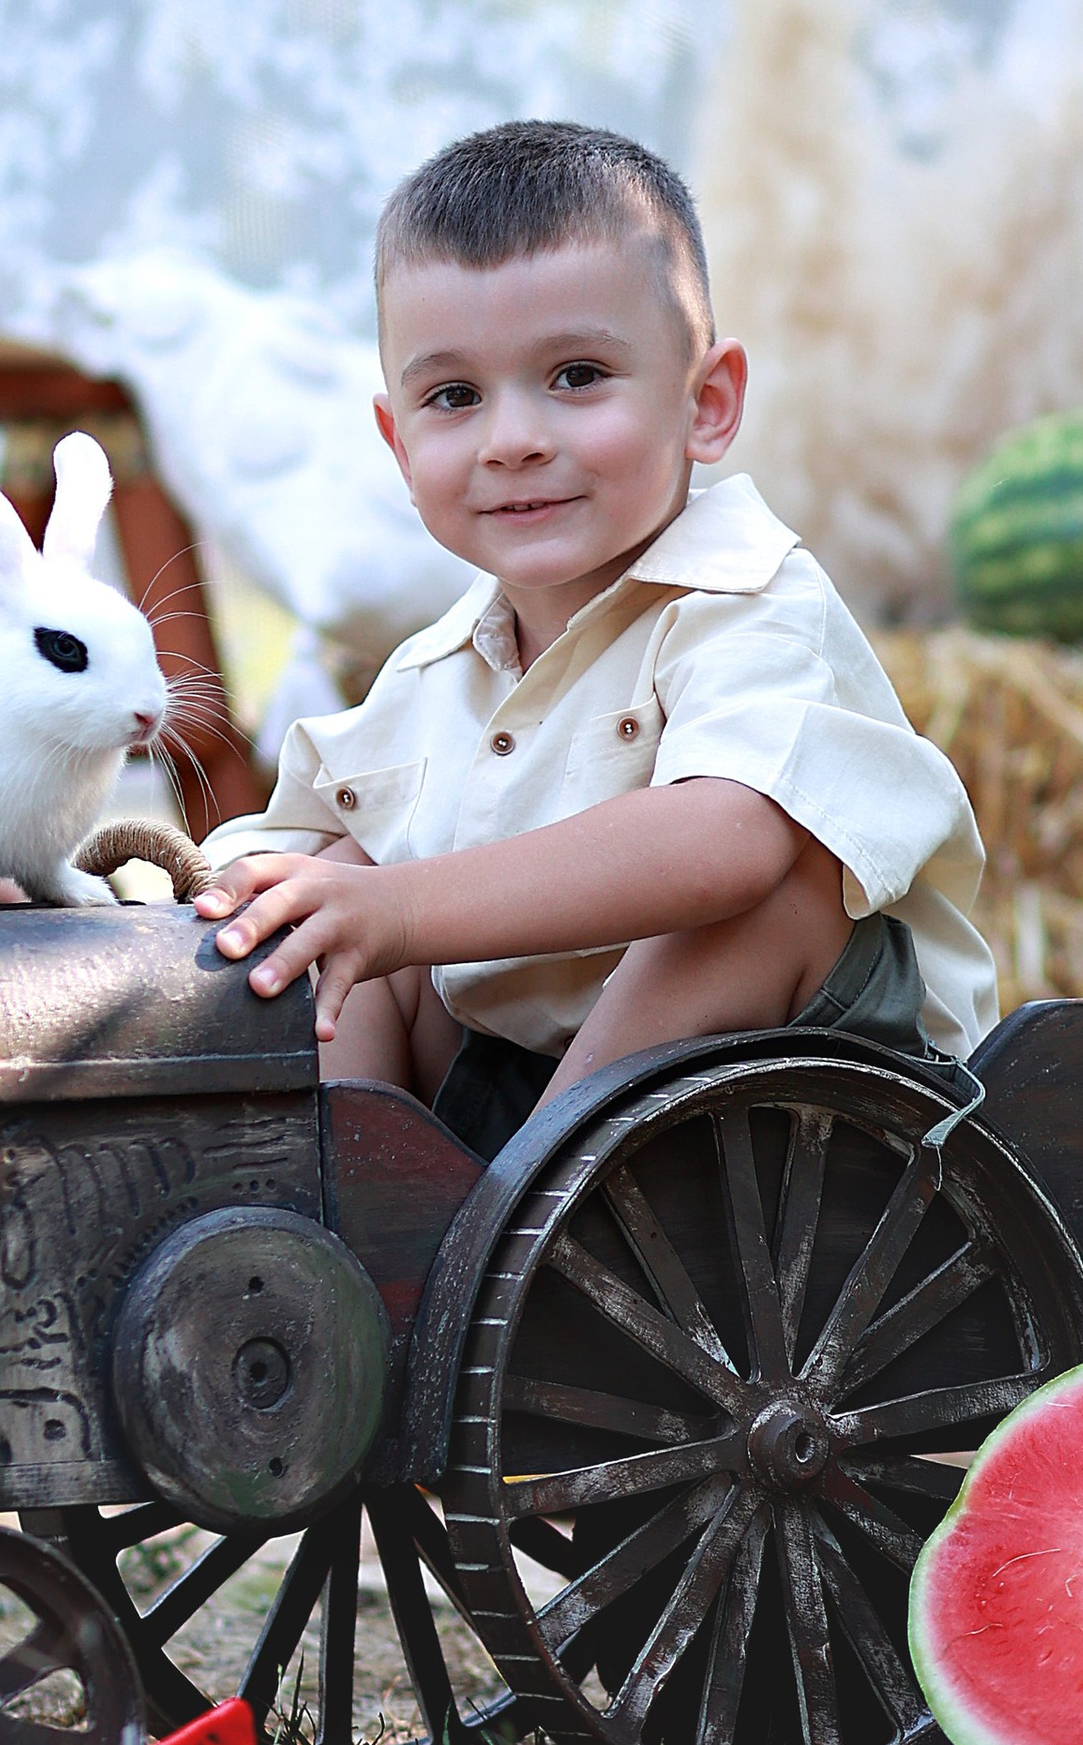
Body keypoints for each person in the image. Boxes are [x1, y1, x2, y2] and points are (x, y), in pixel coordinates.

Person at [192, 118, 993, 1160]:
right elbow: (287, 866)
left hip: (818, 1090)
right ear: (397, 440)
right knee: (335, 874)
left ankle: (509, 1228)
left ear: (704, 404)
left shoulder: (749, 596)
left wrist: (395, 904)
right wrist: (86, 888)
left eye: (574, 375)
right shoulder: (433, 672)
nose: (512, 438)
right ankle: (361, 1220)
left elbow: (729, 837)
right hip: (534, 1088)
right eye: (453, 395)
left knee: (776, 881)